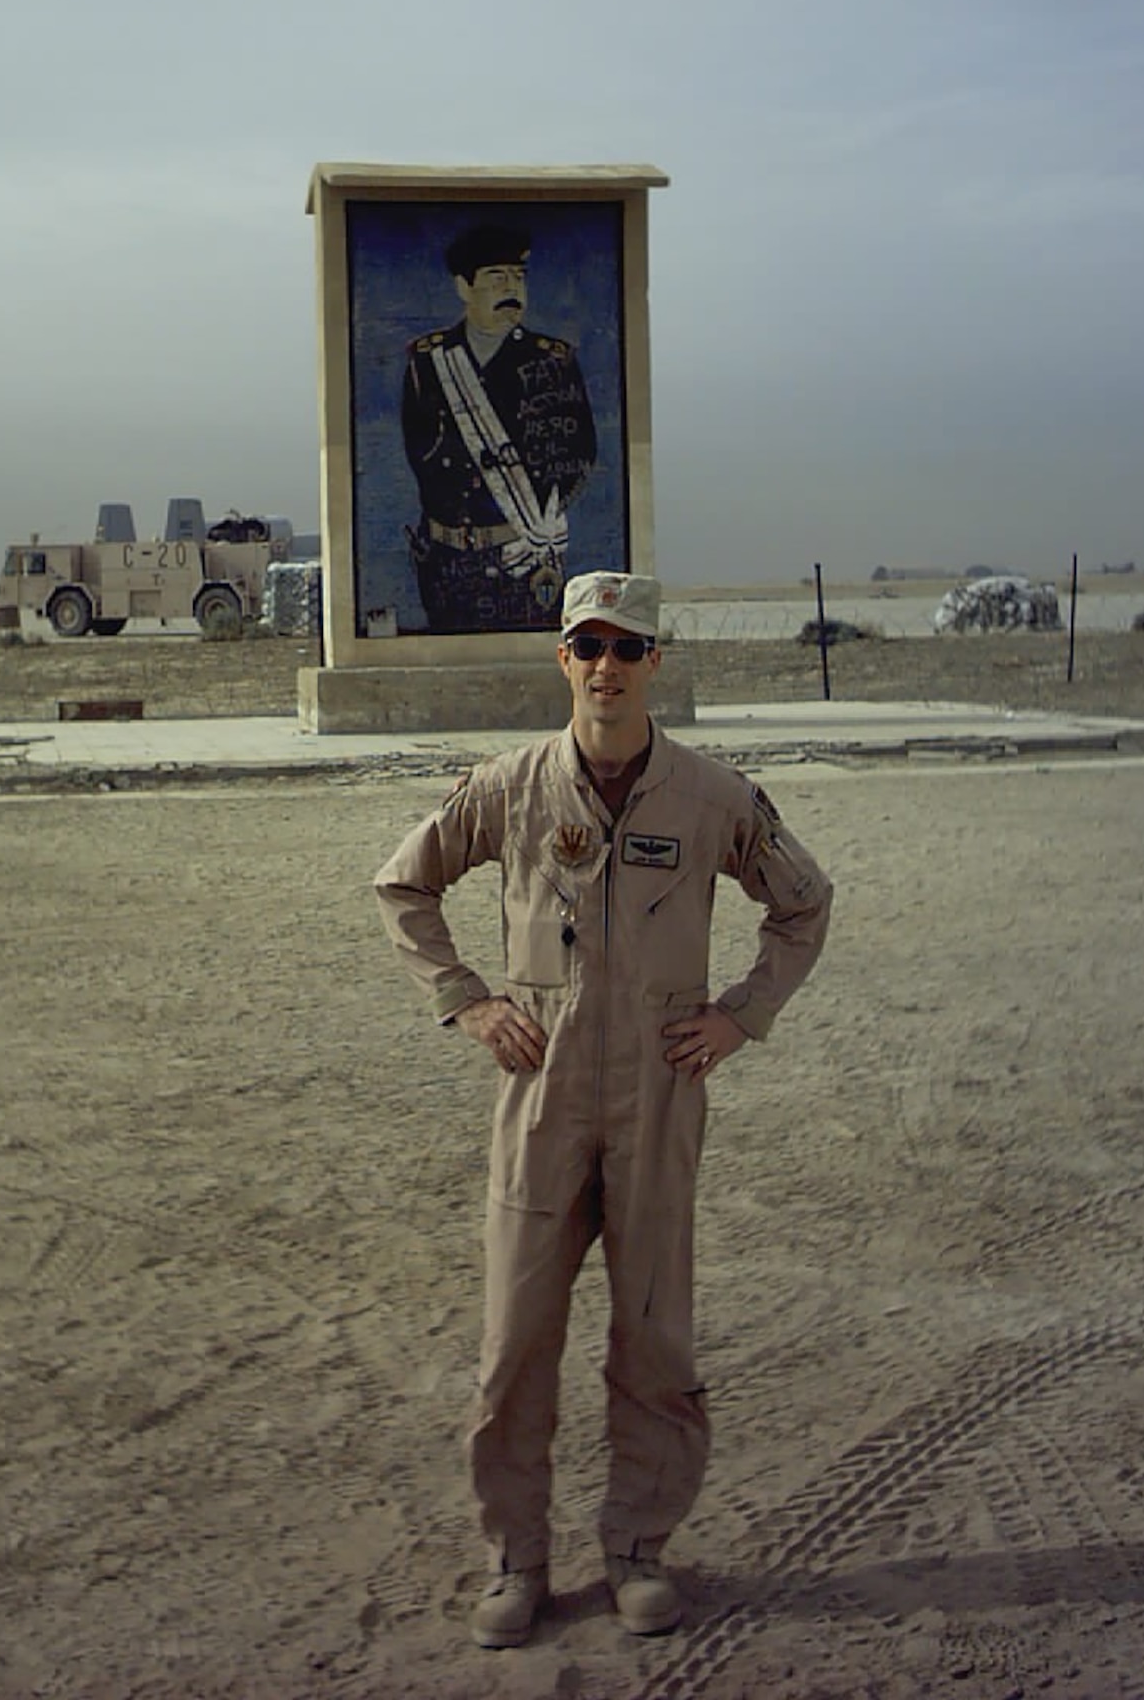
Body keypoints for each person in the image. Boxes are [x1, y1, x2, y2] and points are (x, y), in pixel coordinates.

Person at [373, 571, 833, 1648]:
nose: (608, 666)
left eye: (629, 647)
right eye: (590, 644)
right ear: (563, 658)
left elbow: (802, 905)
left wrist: (738, 1016)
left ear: (656, 661)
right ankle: (514, 1558)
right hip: (543, 1097)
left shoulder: (714, 795)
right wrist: (470, 999)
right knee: (514, 1343)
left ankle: (635, 1547)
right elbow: (403, 885)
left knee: (653, 1336)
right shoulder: (510, 786)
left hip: (659, 1099)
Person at [401, 223, 598, 633]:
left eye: (519, 278)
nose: (512, 289)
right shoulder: (427, 362)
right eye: (497, 278)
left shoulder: (554, 362)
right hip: (446, 562)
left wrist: (542, 526)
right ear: (463, 287)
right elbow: (420, 454)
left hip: (522, 560)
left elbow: (580, 456)